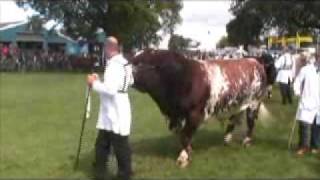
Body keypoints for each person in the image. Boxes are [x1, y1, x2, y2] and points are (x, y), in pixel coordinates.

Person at [87, 36, 134, 180]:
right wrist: (99, 80)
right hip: (117, 106)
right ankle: (100, 170)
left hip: (115, 109)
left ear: (108, 48)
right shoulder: (125, 62)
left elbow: (111, 89)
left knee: (120, 144)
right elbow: (130, 81)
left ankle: (124, 173)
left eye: (104, 48)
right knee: (102, 142)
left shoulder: (114, 65)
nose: (103, 51)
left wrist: (93, 84)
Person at [293, 47, 320, 155]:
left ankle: (315, 145)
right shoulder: (306, 69)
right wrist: (297, 92)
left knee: (317, 126)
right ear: (317, 58)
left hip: (319, 103)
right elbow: (297, 81)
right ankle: (303, 146)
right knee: (304, 124)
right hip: (307, 100)